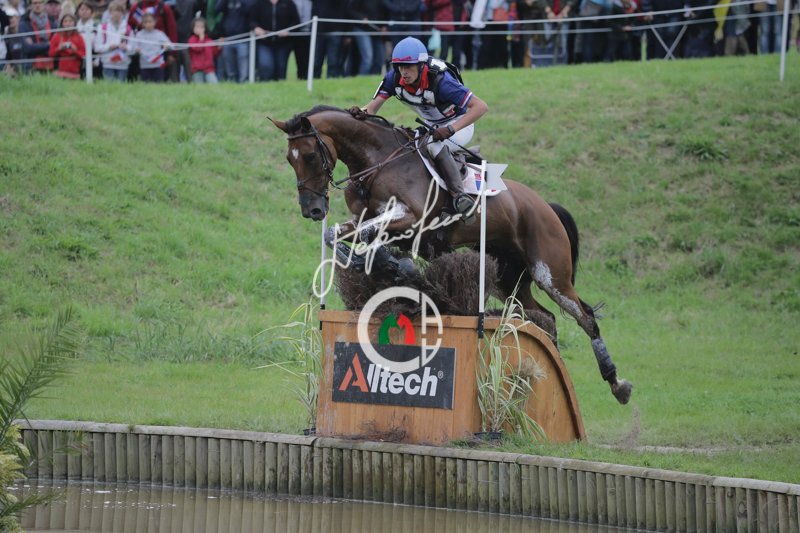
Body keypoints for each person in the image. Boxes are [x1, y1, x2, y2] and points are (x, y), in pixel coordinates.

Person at [353, 36, 488, 219]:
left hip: (460, 123)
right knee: (407, 145)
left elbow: (481, 107)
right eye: (400, 66)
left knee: (434, 145)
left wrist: (450, 129)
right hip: (431, 124)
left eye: (408, 66)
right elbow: (371, 109)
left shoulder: (442, 82)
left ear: (421, 65)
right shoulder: (393, 78)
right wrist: (356, 114)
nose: (403, 72)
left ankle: (460, 198)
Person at [249, 0, 298, 81]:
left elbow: (295, 21)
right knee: (266, 66)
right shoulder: (259, 3)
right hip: (264, 42)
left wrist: (288, 30)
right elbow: (252, 20)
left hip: (283, 42)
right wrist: (256, 28)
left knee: (281, 66)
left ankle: (280, 85)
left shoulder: (288, 3)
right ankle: (265, 84)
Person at [94, 0, 132, 80]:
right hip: (108, 63)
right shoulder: (102, 27)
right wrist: (109, 47)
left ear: (123, 13)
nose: (116, 13)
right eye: (114, 11)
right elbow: (97, 47)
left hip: (123, 64)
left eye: (119, 11)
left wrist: (126, 47)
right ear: (110, 12)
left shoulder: (128, 28)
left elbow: (132, 48)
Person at [215, 0, 250, 82]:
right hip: (228, 38)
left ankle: (243, 82)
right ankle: (232, 81)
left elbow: (249, 9)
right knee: (229, 62)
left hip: (243, 38)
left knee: (242, 62)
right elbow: (218, 8)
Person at [19, 0, 56, 73]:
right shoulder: (24, 24)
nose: (37, 5)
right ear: (30, 6)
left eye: (40, 3)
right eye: (35, 3)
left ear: (44, 5)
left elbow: (56, 46)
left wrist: (36, 46)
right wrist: (48, 44)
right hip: (31, 68)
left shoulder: (53, 23)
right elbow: (28, 48)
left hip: (52, 66)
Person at [134, 10, 171, 81]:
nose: (148, 24)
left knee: (159, 85)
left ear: (155, 22)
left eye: (150, 21)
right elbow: (133, 48)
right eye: (145, 22)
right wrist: (136, 50)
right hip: (145, 65)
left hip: (158, 65)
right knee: (145, 85)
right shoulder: (139, 34)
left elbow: (171, 45)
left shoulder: (160, 34)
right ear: (142, 23)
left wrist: (166, 45)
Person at [48, 11, 85, 77]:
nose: (68, 23)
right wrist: (59, 48)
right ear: (62, 23)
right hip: (59, 71)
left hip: (75, 71)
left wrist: (75, 50)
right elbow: (51, 54)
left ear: (74, 23)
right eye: (65, 21)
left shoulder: (79, 37)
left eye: (70, 21)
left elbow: (83, 54)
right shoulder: (57, 36)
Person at [187, 16, 219, 81]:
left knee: (214, 83)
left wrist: (219, 47)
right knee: (199, 86)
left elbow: (214, 53)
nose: (199, 29)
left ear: (205, 28)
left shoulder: (209, 40)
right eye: (197, 27)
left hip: (209, 69)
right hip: (197, 70)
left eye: (202, 27)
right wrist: (201, 39)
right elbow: (198, 49)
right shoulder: (192, 40)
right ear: (193, 28)